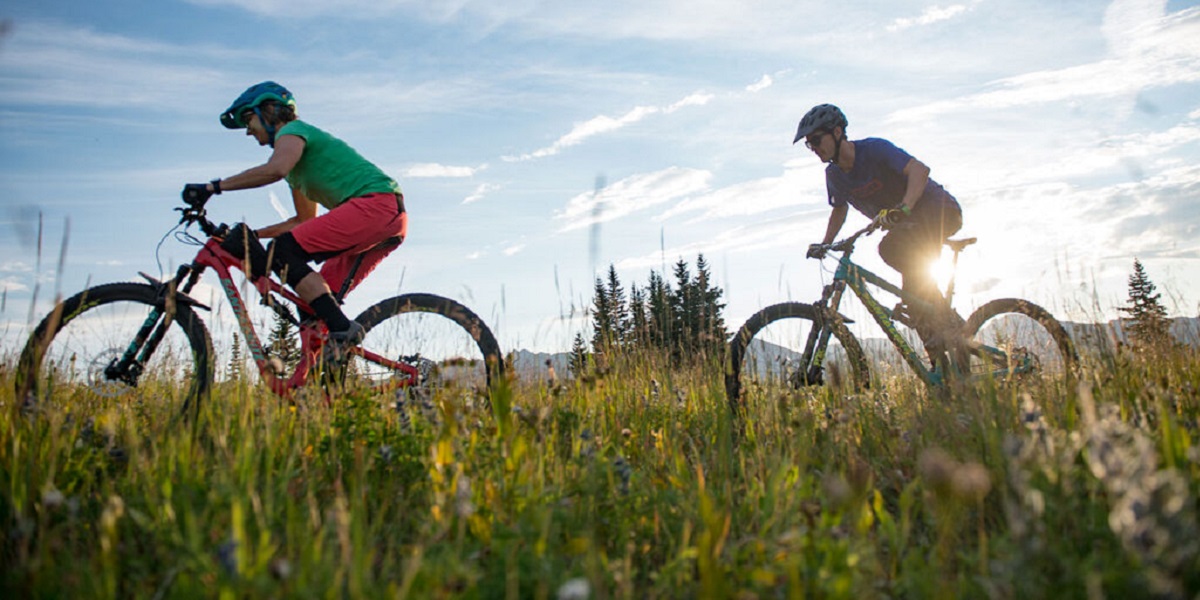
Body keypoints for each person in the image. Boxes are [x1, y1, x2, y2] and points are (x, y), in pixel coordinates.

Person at [181, 81, 408, 361]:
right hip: (384, 218)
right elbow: (302, 221)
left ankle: (343, 330)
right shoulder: (297, 169)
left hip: (375, 206)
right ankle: (325, 384)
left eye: (249, 119)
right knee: (313, 305)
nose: (248, 130)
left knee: (283, 253)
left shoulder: (292, 132)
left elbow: (274, 169)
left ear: (270, 110)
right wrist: (255, 234)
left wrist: (213, 188)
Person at [794, 103, 963, 354]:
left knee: (893, 250)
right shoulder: (834, 175)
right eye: (810, 144)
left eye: (817, 140)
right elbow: (839, 209)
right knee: (915, 300)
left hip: (940, 211)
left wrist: (904, 207)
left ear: (837, 132)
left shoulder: (874, 149)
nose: (814, 148)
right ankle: (945, 371)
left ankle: (947, 321)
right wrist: (825, 243)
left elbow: (919, 170)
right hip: (908, 230)